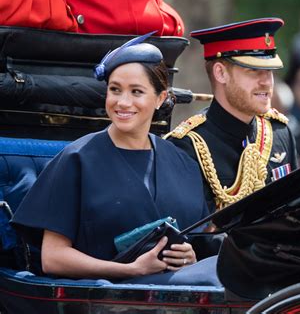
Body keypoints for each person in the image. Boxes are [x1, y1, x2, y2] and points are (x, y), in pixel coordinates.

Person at [11, 33, 220, 286]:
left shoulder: (183, 164)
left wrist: (191, 256)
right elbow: (53, 258)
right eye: (115, 90)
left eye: (136, 92)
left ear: (160, 98)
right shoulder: (76, 159)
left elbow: (198, 243)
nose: (123, 102)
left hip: (177, 297)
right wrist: (131, 270)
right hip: (102, 298)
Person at [166, 18, 298, 213]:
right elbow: (196, 236)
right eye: (253, 70)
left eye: (269, 71)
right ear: (221, 73)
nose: (266, 82)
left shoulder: (279, 132)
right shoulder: (187, 147)